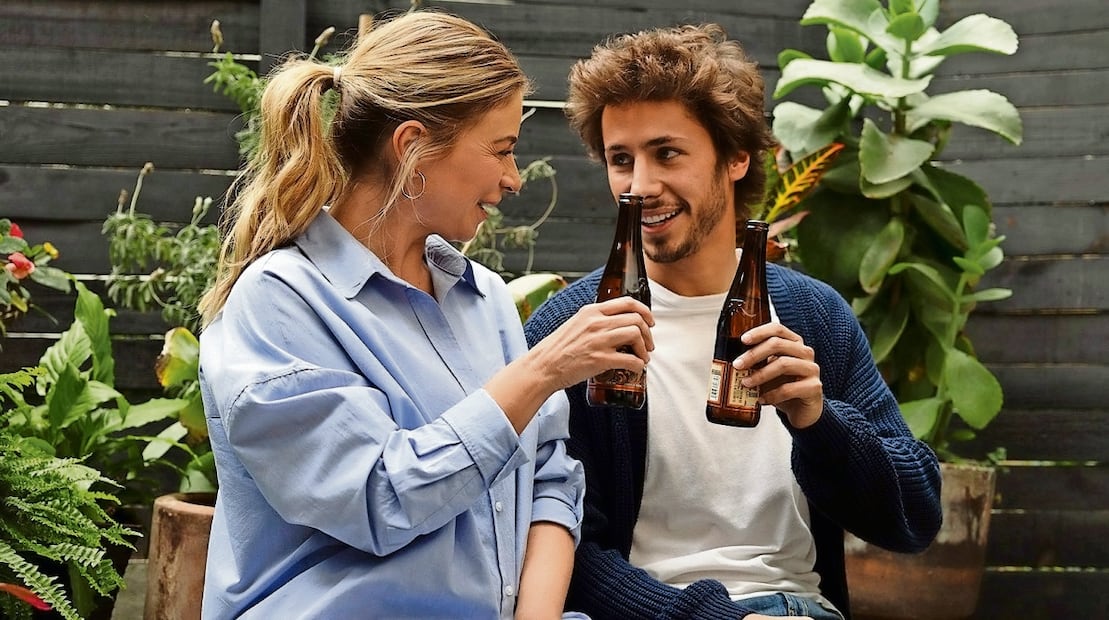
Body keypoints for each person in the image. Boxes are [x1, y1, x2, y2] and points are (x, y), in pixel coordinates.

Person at [194, 11, 653, 619]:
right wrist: (541, 372)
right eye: (502, 150)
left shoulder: (484, 299)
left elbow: (550, 479)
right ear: (413, 147)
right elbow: (379, 499)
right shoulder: (280, 302)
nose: (514, 179)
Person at [523, 24, 943, 620]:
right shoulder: (572, 329)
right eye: (621, 160)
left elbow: (916, 518)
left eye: (667, 153)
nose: (640, 186)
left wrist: (819, 421)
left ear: (736, 157)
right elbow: (562, 549)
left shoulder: (815, 315)